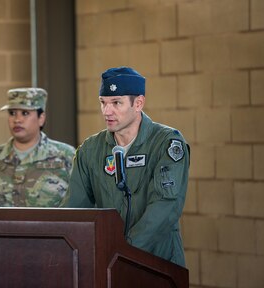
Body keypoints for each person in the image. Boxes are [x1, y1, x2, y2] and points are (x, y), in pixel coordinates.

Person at [62, 66, 190, 267]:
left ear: (138, 103)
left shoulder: (165, 143)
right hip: (109, 265)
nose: (107, 111)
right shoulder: (90, 150)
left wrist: (124, 251)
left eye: (116, 103)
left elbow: (165, 207)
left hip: (159, 264)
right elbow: (73, 211)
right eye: (103, 103)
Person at [0, 87, 76, 207]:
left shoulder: (67, 157)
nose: (17, 120)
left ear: (41, 118)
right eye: (12, 113)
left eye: (25, 113)